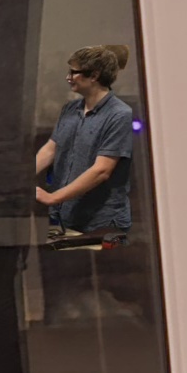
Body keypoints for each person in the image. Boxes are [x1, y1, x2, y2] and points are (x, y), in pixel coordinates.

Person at [34, 41, 136, 245]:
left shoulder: (119, 115)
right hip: (66, 218)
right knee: (63, 263)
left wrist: (53, 197)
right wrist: (19, 179)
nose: (68, 77)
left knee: (98, 264)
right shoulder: (70, 109)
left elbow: (102, 170)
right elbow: (51, 149)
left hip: (102, 223)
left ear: (94, 76)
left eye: (74, 72)